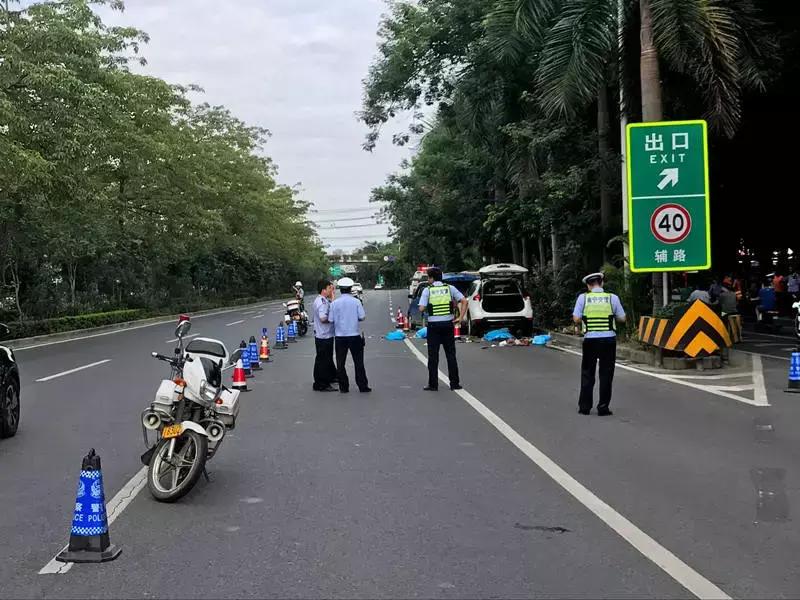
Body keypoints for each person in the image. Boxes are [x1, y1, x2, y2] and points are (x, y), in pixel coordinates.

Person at [572, 272, 626, 416]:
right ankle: (603, 407)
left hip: (590, 340)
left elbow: (576, 318)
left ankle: (584, 407)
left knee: (587, 373)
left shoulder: (583, 298)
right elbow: (622, 318)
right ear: (602, 283)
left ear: (588, 285)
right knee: (606, 374)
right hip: (608, 340)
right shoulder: (612, 298)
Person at [417, 267, 468, 392]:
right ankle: (455, 383)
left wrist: (430, 305)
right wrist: (460, 318)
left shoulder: (427, 290)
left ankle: (433, 385)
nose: (428, 280)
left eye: (428, 277)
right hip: (448, 325)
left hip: (434, 326)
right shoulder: (450, 288)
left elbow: (421, 309)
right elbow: (464, 301)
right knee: (451, 355)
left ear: (432, 278)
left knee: (433, 356)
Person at [328, 277, 370, 393]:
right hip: (354, 335)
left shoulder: (334, 303)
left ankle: (344, 387)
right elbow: (362, 317)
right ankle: (362, 386)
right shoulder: (356, 301)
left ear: (340, 289)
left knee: (341, 363)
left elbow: (330, 319)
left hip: (340, 337)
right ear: (351, 289)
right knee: (358, 362)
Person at [312, 279, 337, 392]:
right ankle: (321, 383)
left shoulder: (324, 300)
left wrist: (332, 298)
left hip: (325, 335)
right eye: (329, 288)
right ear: (323, 290)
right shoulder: (321, 302)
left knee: (326, 359)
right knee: (323, 361)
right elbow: (323, 318)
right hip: (323, 336)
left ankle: (330, 377)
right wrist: (332, 319)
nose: (331, 290)